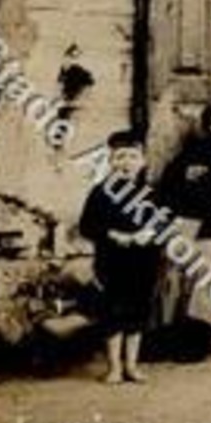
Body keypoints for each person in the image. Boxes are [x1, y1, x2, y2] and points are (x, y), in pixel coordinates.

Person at [154, 106, 211, 346]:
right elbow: (169, 188)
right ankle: (169, 329)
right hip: (195, 218)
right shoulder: (192, 154)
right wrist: (185, 182)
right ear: (207, 128)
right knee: (176, 260)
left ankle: (199, 330)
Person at [80, 131, 161, 384]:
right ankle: (114, 367)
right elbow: (87, 226)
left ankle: (132, 366)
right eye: (119, 157)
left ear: (143, 162)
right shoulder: (101, 193)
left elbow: (165, 223)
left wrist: (150, 233)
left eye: (132, 156)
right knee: (113, 312)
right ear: (110, 162)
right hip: (111, 261)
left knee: (138, 311)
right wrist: (113, 235)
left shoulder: (151, 194)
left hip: (144, 261)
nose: (126, 162)